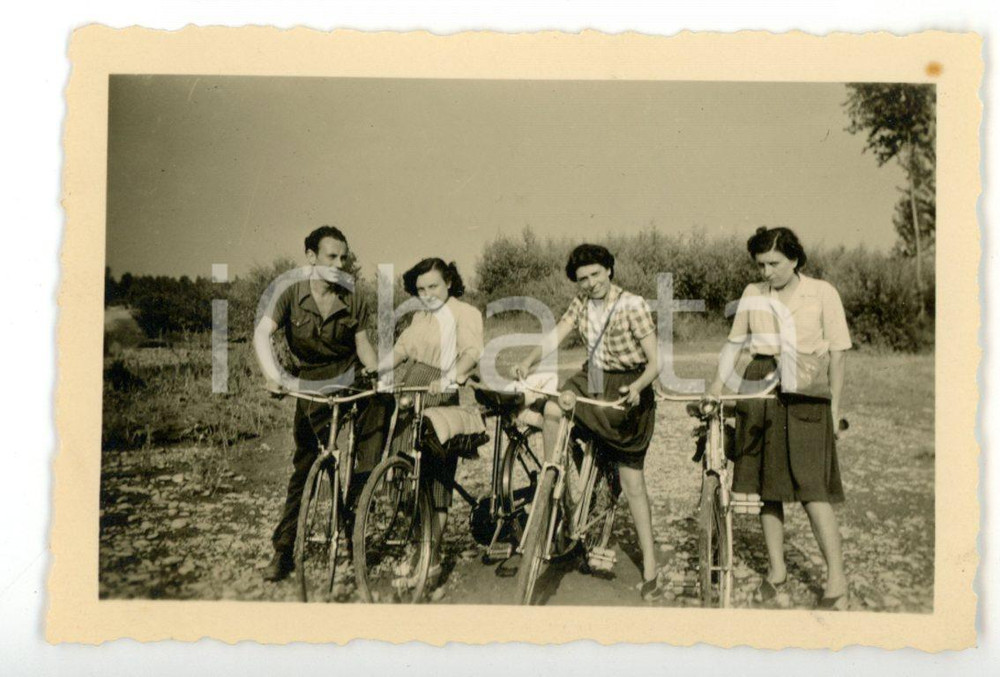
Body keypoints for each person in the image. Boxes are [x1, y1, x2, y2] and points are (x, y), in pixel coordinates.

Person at [707, 226, 851, 610]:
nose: (766, 271)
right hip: (759, 384)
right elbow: (736, 343)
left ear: (795, 260)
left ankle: (837, 581)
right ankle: (776, 573)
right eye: (760, 264)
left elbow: (838, 353)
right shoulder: (754, 294)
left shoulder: (822, 293)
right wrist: (715, 388)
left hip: (805, 389)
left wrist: (835, 409)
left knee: (812, 489)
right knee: (766, 486)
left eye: (774, 263)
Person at [513, 243, 663, 601]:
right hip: (592, 378)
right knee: (553, 409)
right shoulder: (581, 303)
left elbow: (656, 362)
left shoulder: (633, 305)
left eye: (596, 274)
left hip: (628, 384)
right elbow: (559, 333)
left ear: (609, 271)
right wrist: (530, 359)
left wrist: (638, 387)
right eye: (583, 278)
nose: (591, 282)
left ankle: (652, 567)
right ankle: (555, 483)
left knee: (632, 481)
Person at [253, 225, 393, 583]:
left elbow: (362, 344)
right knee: (305, 467)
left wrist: (378, 373)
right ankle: (283, 550)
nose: (339, 263)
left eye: (343, 257)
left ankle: (356, 523)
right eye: (331, 256)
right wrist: (274, 375)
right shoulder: (288, 292)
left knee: (379, 409)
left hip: (350, 378)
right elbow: (262, 333)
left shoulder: (354, 295)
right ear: (311, 258)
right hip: (311, 382)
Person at [378, 257, 485, 583]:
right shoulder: (420, 317)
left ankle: (433, 560)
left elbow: (471, 351)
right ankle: (416, 550)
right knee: (407, 478)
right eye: (421, 288)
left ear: (449, 282)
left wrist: (453, 376)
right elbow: (401, 350)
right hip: (409, 395)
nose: (427, 293)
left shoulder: (465, 313)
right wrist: (377, 370)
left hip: (438, 393)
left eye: (433, 286)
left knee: (436, 480)